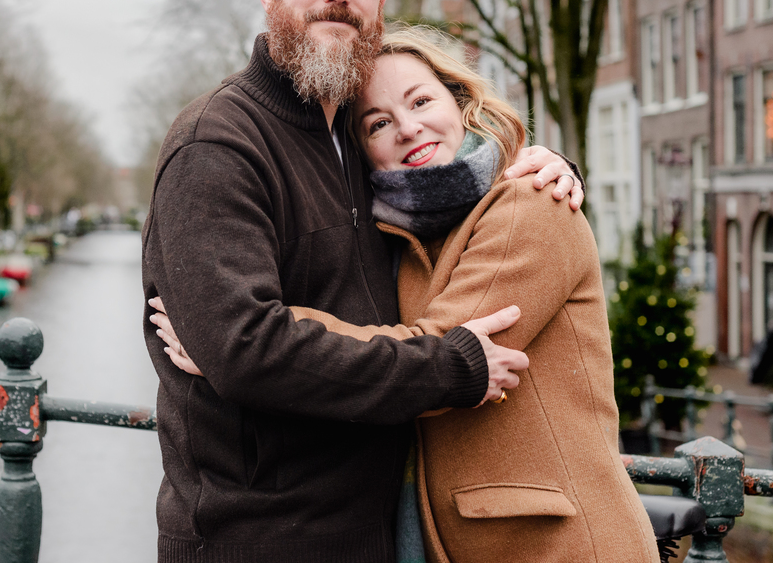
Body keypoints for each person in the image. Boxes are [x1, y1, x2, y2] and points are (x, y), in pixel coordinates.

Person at [142, 0, 583, 563]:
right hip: (257, 542)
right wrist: (448, 368)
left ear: (380, 4)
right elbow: (246, 347)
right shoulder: (218, 142)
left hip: (374, 534)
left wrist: (539, 163)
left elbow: (446, 203)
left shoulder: (355, 139)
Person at [159, 27, 656, 562]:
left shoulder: (532, 204)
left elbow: (448, 347)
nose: (408, 126)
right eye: (378, 123)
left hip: (561, 543)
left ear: (461, 100)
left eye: (421, 100)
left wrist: (239, 335)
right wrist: (231, 331)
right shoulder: (396, 238)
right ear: (360, 152)